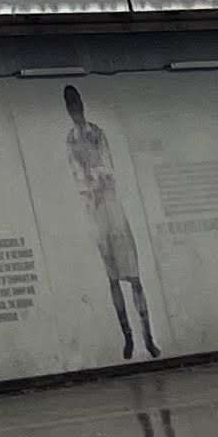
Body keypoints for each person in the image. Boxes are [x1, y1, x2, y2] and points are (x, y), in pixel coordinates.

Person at [65, 85, 157, 359]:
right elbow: (76, 176)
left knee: (133, 275)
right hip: (96, 212)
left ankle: (148, 337)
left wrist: (95, 177)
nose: (75, 111)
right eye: (71, 107)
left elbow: (108, 168)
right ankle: (128, 338)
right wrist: (90, 183)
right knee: (113, 277)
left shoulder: (97, 133)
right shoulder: (71, 140)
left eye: (77, 105)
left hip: (113, 209)